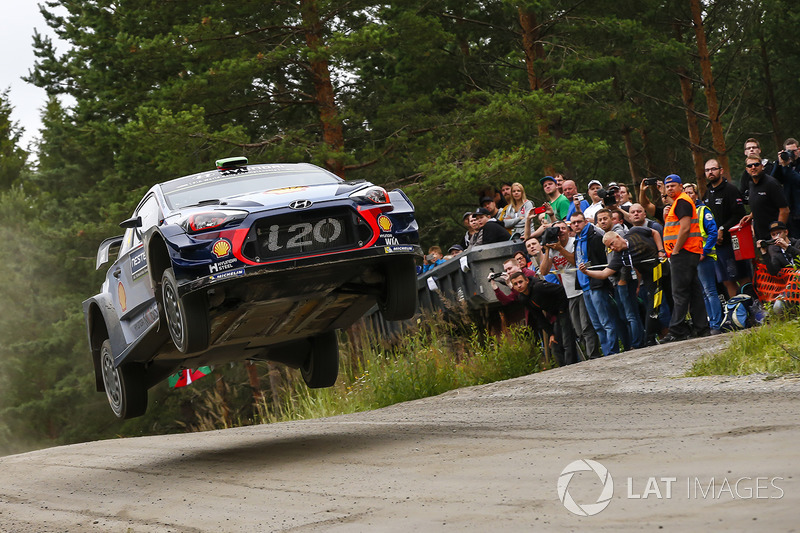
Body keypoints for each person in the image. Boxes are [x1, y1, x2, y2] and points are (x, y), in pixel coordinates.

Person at [579, 229, 673, 346]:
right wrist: (586, 272)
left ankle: (680, 328)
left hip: (664, 267)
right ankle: (649, 338)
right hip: (651, 276)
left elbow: (654, 233)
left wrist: (660, 250)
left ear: (618, 237)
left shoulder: (635, 232)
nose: (612, 248)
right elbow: (604, 274)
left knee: (672, 298)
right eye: (609, 247)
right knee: (654, 306)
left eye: (612, 244)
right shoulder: (620, 257)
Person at [539, 220, 600, 359]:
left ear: (567, 229)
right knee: (578, 329)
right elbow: (543, 271)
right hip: (569, 292)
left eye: (562, 228)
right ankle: (589, 355)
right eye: (556, 230)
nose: (560, 232)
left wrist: (561, 249)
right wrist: (548, 249)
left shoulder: (574, 243)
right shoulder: (552, 249)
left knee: (586, 326)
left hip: (582, 288)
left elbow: (576, 262)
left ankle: (593, 355)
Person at [491, 270, 578, 366]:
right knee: (555, 344)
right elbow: (538, 316)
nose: (519, 286)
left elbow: (560, 290)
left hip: (564, 309)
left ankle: (572, 365)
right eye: (515, 284)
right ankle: (563, 367)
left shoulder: (538, 287)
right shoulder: (523, 298)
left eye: (520, 282)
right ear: (513, 287)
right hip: (555, 314)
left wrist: (561, 310)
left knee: (567, 340)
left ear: (527, 281)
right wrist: (551, 333)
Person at [660, 174, 710, 342]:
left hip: (683, 252)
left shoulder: (682, 202)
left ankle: (677, 330)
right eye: (668, 186)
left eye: (673, 185)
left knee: (679, 292)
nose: (670, 189)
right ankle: (701, 327)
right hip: (687, 252)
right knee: (694, 291)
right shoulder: (677, 203)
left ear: (681, 186)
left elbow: (685, 228)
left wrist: (675, 251)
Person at [595, 208, 644, 349]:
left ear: (612, 218)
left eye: (605, 218)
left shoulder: (619, 233)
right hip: (616, 282)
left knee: (630, 314)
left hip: (626, 281)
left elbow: (626, 257)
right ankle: (632, 344)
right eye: (600, 220)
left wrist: (623, 279)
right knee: (625, 316)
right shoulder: (606, 237)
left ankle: (637, 344)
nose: (603, 221)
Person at [571, 212, 619, 356]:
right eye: (573, 223)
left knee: (606, 322)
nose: (576, 225)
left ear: (585, 221)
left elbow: (603, 260)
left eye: (579, 222)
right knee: (597, 325)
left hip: (597, 284)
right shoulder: (576, 240)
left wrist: (603, 281)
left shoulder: (595, 237)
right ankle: (606, 353)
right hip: (584, 286)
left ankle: (612, 351)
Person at [702, 159, 750, 297]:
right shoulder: (708, 192)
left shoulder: (731, 190)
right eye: (707, 170)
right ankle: (737, 312)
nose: (710, 172)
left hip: (732, 243)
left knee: (741, 277)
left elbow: (739, 215)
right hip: (716, 246)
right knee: (727, 281)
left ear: (721, 170)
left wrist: (722, 229)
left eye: (713, 169)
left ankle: (755, 308)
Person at [683, 183, 723, 335]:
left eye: (691, 193)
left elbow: (713, 233)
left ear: (696, 195)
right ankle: (711, 322)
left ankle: (716, 324)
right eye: (686, 193)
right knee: (704, 293)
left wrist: (704, 252)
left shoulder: (702, 210)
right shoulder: (686, 213)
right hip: (693, 258)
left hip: (704, 257)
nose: (689, 195)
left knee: (710, 290)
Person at [739, 155, 789, 242]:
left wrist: (778, 233)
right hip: (761, 238)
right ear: (747, 170)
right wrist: (751, 215)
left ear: (762, 167)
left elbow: (785, 210)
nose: (753, 167)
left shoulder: (771, 183)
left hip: (774, 238)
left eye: (756, 164)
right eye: (750, 166)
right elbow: (762, 203)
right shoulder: (751, 184)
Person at [771, 138, 800, 238]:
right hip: (790, 214)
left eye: (794, 151)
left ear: (799, 150)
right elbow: (772, 180)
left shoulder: (788, 168)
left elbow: (797, 180)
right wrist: (778, 164)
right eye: (788, 151)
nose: (792, 154)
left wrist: (786, 166)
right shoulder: (784, 166)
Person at [740, 138, 775, 204]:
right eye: (748, 148)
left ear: (759, 150)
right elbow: (742, 193)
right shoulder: (746, 173)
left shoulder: (769, 167)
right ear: (745, 152)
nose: (751, 150)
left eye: (754, 147)